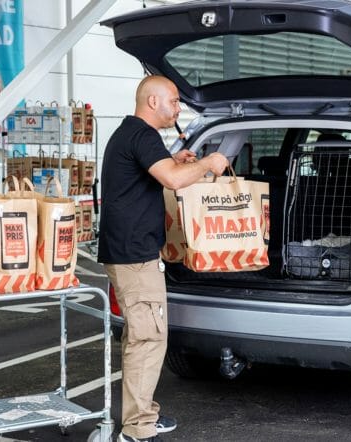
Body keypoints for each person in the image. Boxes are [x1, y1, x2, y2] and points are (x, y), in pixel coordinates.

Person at [98, 75, 228, 442]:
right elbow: (172, 180)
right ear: (152, 102)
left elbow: (157, 171)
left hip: (125, 252)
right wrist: (208, 163)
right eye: (173, 101)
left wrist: (172, 159)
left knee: (142, 337)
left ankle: (143, 416)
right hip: (135, 257)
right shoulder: (143, 135)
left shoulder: (130, 134)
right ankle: (137, 430)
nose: (178, 108)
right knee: (149, 339)